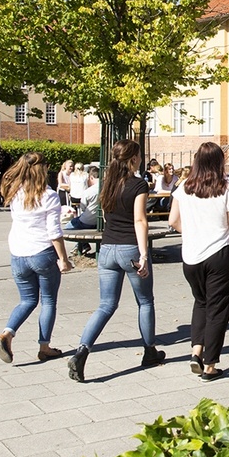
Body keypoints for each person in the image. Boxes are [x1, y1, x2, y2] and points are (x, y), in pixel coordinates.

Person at [67, 140, 164, 383]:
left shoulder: (107, 183)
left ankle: (82, 351)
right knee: (145, 301)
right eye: (139, 156)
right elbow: (140, 220)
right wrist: (143, 254)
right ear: (133, 159)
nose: (141, 159)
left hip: (107, 248)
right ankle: (150, 350)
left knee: (106, 305)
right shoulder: (138, 184)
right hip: (129, 248)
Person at [167, 142, 229, 380]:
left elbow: (173, 221)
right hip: (219, 253)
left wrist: (193, 234)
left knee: (201, 303)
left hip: (191, 256)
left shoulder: (183, 188)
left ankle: (196, 351)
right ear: (218, 162)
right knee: (218, 309)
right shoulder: (225, 187)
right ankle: (210, 364)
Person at [0, 153, 72, 364]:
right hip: (42, 253)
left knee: (27, 300)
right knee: (48, 301)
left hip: (18, 253)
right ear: (42, 170)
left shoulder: (15, 192)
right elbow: (54, 232)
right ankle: (44, 347)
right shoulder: (48, 195)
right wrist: (63, 258)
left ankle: (7, 333)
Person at [65, 164, 100, 257]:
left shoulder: (88, 191)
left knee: (68, 226)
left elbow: (83, 207)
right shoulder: (107, 189)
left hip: (87, 221)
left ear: (91, 177)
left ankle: (83, 244)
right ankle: (82, 245)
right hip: (101, 221)